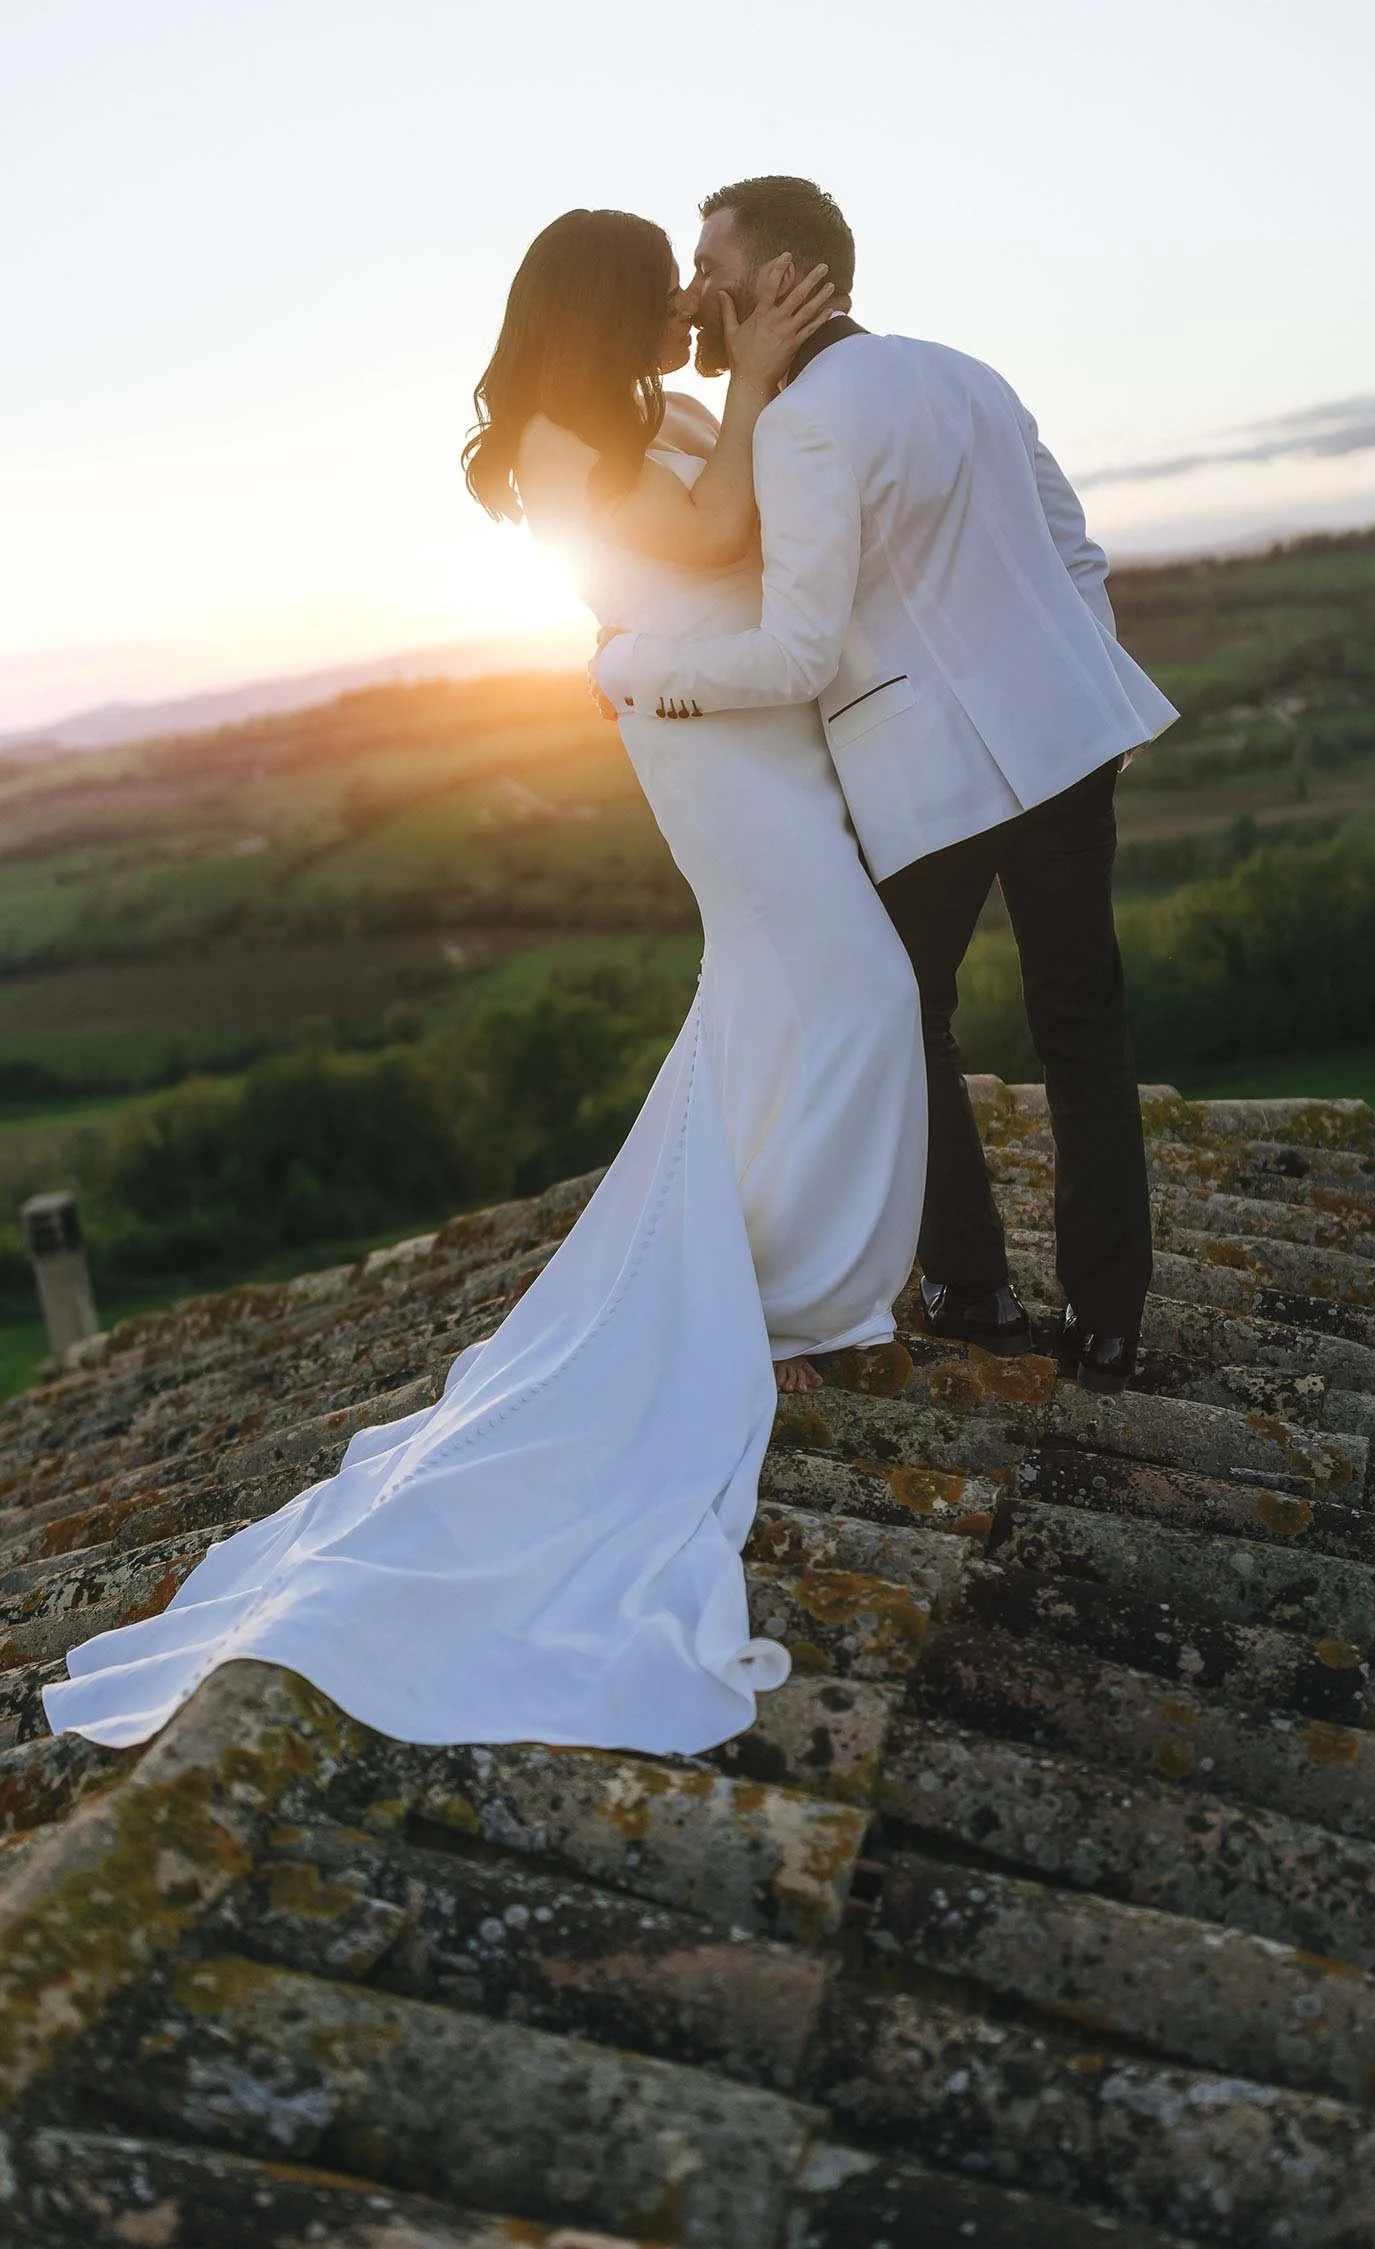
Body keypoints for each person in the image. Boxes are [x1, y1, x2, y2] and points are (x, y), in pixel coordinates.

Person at [41, 209, 929, 1762]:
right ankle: (799, 1280)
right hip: (703, 742)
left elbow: (769, 523)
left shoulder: (657, 416)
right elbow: (716, 542)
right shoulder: (556, 448)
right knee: (849, 975)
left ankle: (777, 1261)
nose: (681, 305)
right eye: (657, 288)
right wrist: (770, 366)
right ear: (596, 307)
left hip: (758, 716)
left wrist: (772, 381)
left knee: (800, 983)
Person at [594, 176, 1178, 1395]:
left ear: (787, 278)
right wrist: (1079, 677)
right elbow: (1079, 555)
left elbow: (800, 654)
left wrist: (640, 670)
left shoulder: (803, 424)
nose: (697, 290)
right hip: (1068, 745)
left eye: (714, 264)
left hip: (933, 776)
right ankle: (1111, 1326)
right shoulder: (966, 370)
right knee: (1087, 1024)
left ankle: (971, 1288)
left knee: (899, 1013)